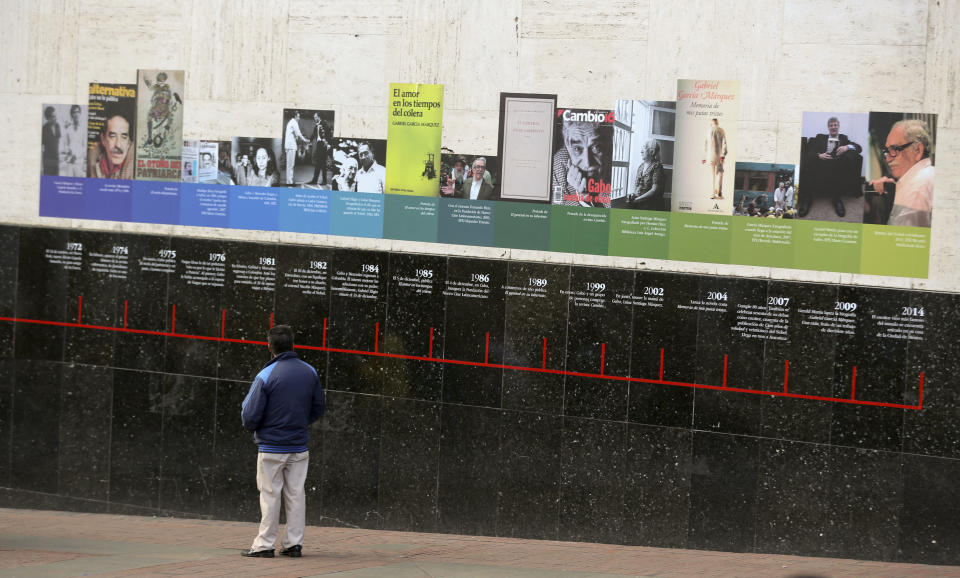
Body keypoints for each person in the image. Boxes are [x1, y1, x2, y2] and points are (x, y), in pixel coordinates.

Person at [240, 325, 325, 558]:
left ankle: (264, 545)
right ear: (293, 345)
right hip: (298, 446)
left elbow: (249, 415)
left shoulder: (266, 375)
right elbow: (319, 407)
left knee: (270, 495)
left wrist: (260, 427)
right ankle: (293, 544)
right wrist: (298, 422)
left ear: (269, 347)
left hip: (271, 447)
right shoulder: (310, 372)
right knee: (296, 494)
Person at [868, 119, 934, 228]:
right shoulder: (929, 174)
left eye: (894, 149)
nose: (888, 159)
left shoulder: (915, 189)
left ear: (918, 150)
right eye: (887, 151)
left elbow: (896, 242)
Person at [800, 117, 862, 217]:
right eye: (831, 125)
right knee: (808, 161)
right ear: (828, 127)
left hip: (837, 165)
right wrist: (818, 155)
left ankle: (837, 199)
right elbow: (809, 150)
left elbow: (859, 148)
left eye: (835, 125)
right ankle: (807, 199)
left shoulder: (843, 138)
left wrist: (847, 147)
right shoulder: (820, 137)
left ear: (838, 126)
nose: (833, 127)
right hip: (820, 164)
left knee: (843, 164)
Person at [552, 120, 611, 207]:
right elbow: (556, 211)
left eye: (596, 147)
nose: (587, 163)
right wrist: (582, 197)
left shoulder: (615, 166)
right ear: (567, 147)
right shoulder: (559, 165)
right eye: (577, 148)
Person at [88, 112, 134, 179]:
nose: (118, 145)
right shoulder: (96, 161)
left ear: (128, 143)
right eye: (112, 136)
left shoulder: (132, 164)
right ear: (103, 139)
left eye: (124, 137)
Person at [626, 139, 664, 210]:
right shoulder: (641, 166)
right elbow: (637, 187)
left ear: (652, 152)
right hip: (638, 204)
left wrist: (636, 200)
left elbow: (654, 190)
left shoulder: (657, 166)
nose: (641, 151)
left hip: (651, 207)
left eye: (644, 148)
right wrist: (633, 195)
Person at [702, 118, 727, 200]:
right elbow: (724, 143)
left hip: (710, 156)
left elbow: (705, 145)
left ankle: (712, 194)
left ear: (711, 123)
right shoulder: (721, 130)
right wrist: (723, 154)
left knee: (711, 175)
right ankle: (719, 192)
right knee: (720, 173)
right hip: (719, 156)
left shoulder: (708, 131)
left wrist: (704, 157)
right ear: (717, 123)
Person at [60, 105, 85, 177]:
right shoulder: (68, 129)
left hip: (79, 161)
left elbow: (84, 147)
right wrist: (68, 151)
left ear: (80, 113)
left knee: (78, 182)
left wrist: (76, 156)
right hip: (70, 161)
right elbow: (65, 144)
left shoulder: (83, 128)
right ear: (71, 115)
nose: (76, 114)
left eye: (77, 112)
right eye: (74, 112)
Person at [284, 111, 307, 184]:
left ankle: (289, 180)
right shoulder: (294, 122)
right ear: (295, 116)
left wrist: (296, 137)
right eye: (298, 116)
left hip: (289, 146)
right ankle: (289, 181)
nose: (299, 118)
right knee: (290, 165)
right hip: (291, 146)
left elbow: (295, 134)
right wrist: (305, 140)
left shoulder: (291, 122)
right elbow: (298, 133)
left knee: (290, 165)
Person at [309, 113, 332, 186]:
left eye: (315, 117)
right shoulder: (316, 126)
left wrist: (328, 144)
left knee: (323, 164)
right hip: (319, 145)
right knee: (318, 163)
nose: (314, 118)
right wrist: (308, 140)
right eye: (314, 117)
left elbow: (328, 133)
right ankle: (315, 180)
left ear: (319, 117)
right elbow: (313, 135)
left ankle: (324, 181)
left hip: (324, 145)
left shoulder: (324, 123)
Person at [41, 106, 62, 176]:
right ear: (48, 118)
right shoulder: (44, 129)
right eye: (53, 116)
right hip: (48, 161)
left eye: (56, 116)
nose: (56, 118)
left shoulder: (58, 126)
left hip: (56, 160)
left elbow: (59, 142)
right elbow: (42, 148)